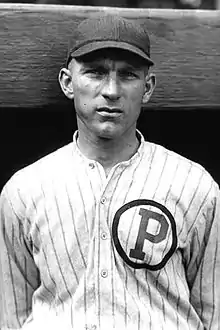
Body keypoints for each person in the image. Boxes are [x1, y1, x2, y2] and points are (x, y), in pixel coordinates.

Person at [0, 13, 219, 330]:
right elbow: (11, 316)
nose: (111, 91)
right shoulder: (25, 189)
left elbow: (214, 311)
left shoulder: (194, 185)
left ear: (147, 87)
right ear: (67, 82)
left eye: (128, 75)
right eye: (95, 73)